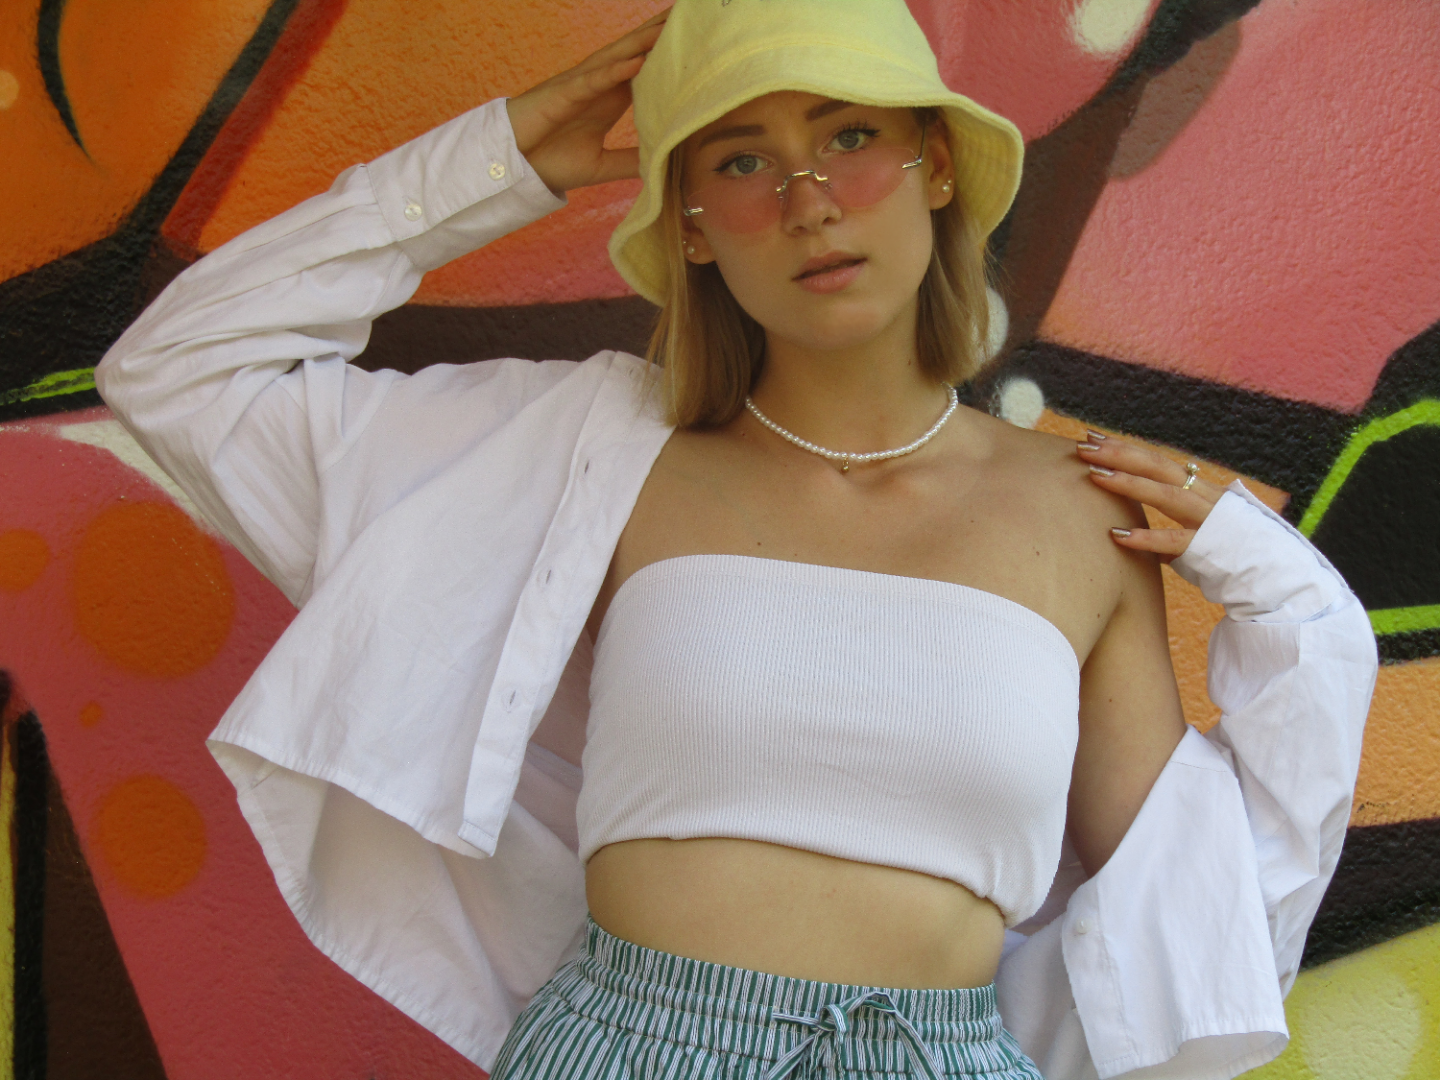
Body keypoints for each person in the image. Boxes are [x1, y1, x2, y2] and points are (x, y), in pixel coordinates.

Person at [95, 2, 1377, 1078]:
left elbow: (1184, 907)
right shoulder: (597, 454)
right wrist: (504, 161)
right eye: (743, 161)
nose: (810, 202)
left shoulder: (1079, 513)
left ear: (935, 166)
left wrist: (1293, 601)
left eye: (851, 137)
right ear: (693, 225)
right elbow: (181, 374)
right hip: (630, 1046)